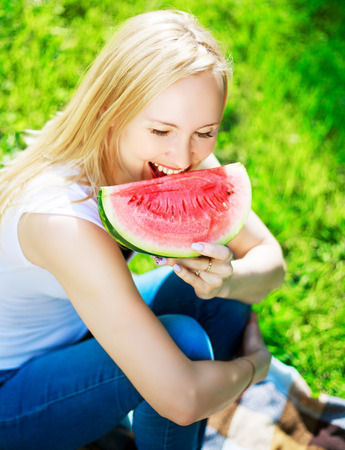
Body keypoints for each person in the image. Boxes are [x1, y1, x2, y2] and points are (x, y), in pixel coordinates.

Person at [0, 9, 285, 450]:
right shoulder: (62, 221)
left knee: (222, 303)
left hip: (77, 333)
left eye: (205, 132)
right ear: (112, 111)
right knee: (185, 344)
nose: (185, 155)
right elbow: (183, 399)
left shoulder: (171, 154)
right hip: (9, 392)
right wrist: (254, 368)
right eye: (161, 130)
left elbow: (271, 264)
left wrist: (229, 281)